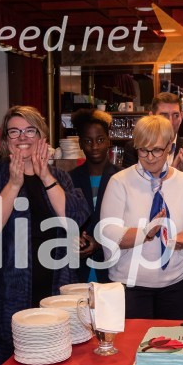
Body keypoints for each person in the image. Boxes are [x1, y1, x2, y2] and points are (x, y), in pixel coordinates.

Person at [0, 106, 90, 365]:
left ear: (42, 137)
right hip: (6, 288)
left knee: (53, 359)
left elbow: (73, 219)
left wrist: (45, 175)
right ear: (5, 140)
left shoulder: (60, 177)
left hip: (55, 282)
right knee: (9, 363)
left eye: (29, 130)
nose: (22, 136)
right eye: (14, 131)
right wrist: (13, 184)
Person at [99, 115, 183, 318]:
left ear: (170, 147)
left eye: (157, 150)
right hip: (130, 284)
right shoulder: (120, 182)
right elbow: (108, 233)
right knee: (132, 345)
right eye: (143, 150)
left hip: (176, 283)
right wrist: (146, 232)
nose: (150, 157)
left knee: (172, 344)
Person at [69, 109, 120, 283]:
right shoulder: (69, 179)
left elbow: (128, 224)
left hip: (112, 266)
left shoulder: (121, 178)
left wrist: (100, 243)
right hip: (78, 268)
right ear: (80, 144)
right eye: (88, 141)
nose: (95, 146)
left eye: (100, 140)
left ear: (109, 141)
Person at [122, 92, 183, 171]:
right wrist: (174, 174)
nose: (170, 121)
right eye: (164, 115)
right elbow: (131, 181)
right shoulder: (134, 148)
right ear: (152, 116)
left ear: (181, 117)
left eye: (176, 115)